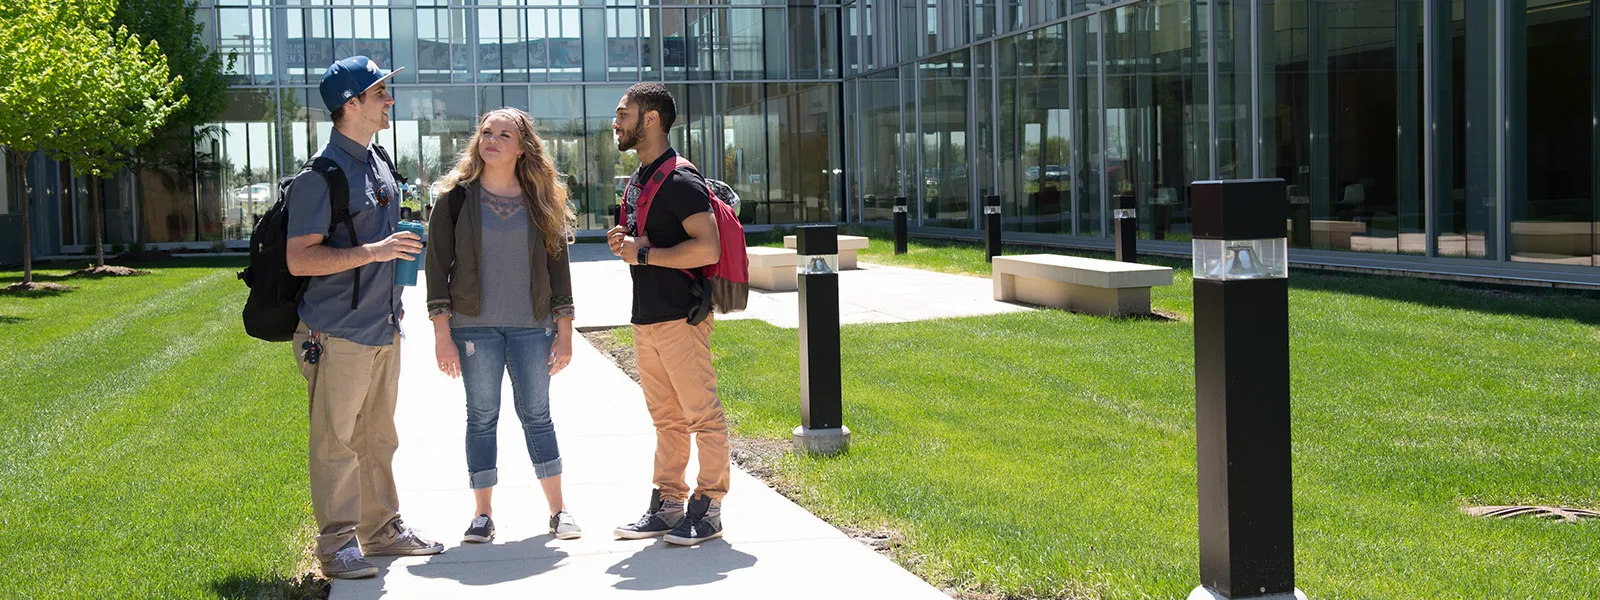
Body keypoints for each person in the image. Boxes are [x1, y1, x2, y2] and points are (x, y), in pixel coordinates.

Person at [285, 56, 443, 580]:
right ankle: (336, 546)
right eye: (380, 93)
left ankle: (381, 530)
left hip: (383, 327)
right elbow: (300, 258)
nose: (389, 101)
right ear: (350, 105)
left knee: (379, 436)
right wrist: (375, 252)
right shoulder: (320, 176)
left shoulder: (376, 162)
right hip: (337, 333)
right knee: (337, 442)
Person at [425, 108, 581, 544]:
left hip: (534, 326)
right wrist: (442, 335)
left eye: (503, 134)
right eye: (486, 132)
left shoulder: (539, 197)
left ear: (522, 147)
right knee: (481, 417)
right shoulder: (455, 198)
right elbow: (436, 269)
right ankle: (482, 515)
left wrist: (565, 331)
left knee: (537, 415)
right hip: (473, 329)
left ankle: (559, 511)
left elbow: (558, 268)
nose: (491, 139)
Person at [605, 82, 729, 546]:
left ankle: (710, 505)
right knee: (666, 418)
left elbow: (707, 245)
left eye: (623, 114)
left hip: (681, 316)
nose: (615, 123)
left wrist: (642, 254)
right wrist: (628, 245)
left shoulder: (680, 179)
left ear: (650, 119)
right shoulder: (641, 177)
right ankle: (669, 502)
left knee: (702, 414)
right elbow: (646, 244)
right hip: (647, 317)